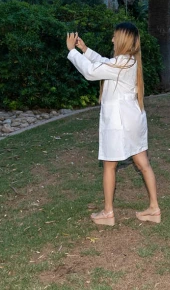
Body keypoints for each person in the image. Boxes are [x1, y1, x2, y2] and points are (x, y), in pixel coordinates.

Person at [66, 22, 160, 226]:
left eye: (114, 36)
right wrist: (85, 50)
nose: (112, 39)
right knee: (143, 163)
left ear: (123, 40)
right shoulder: (129, 61)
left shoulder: (120, 65)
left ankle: (108, 213)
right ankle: (154, 208)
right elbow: (105, 63)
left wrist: (72, 52)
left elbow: (91, 72)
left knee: (109, 164)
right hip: (133, 118)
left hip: (119, 122)